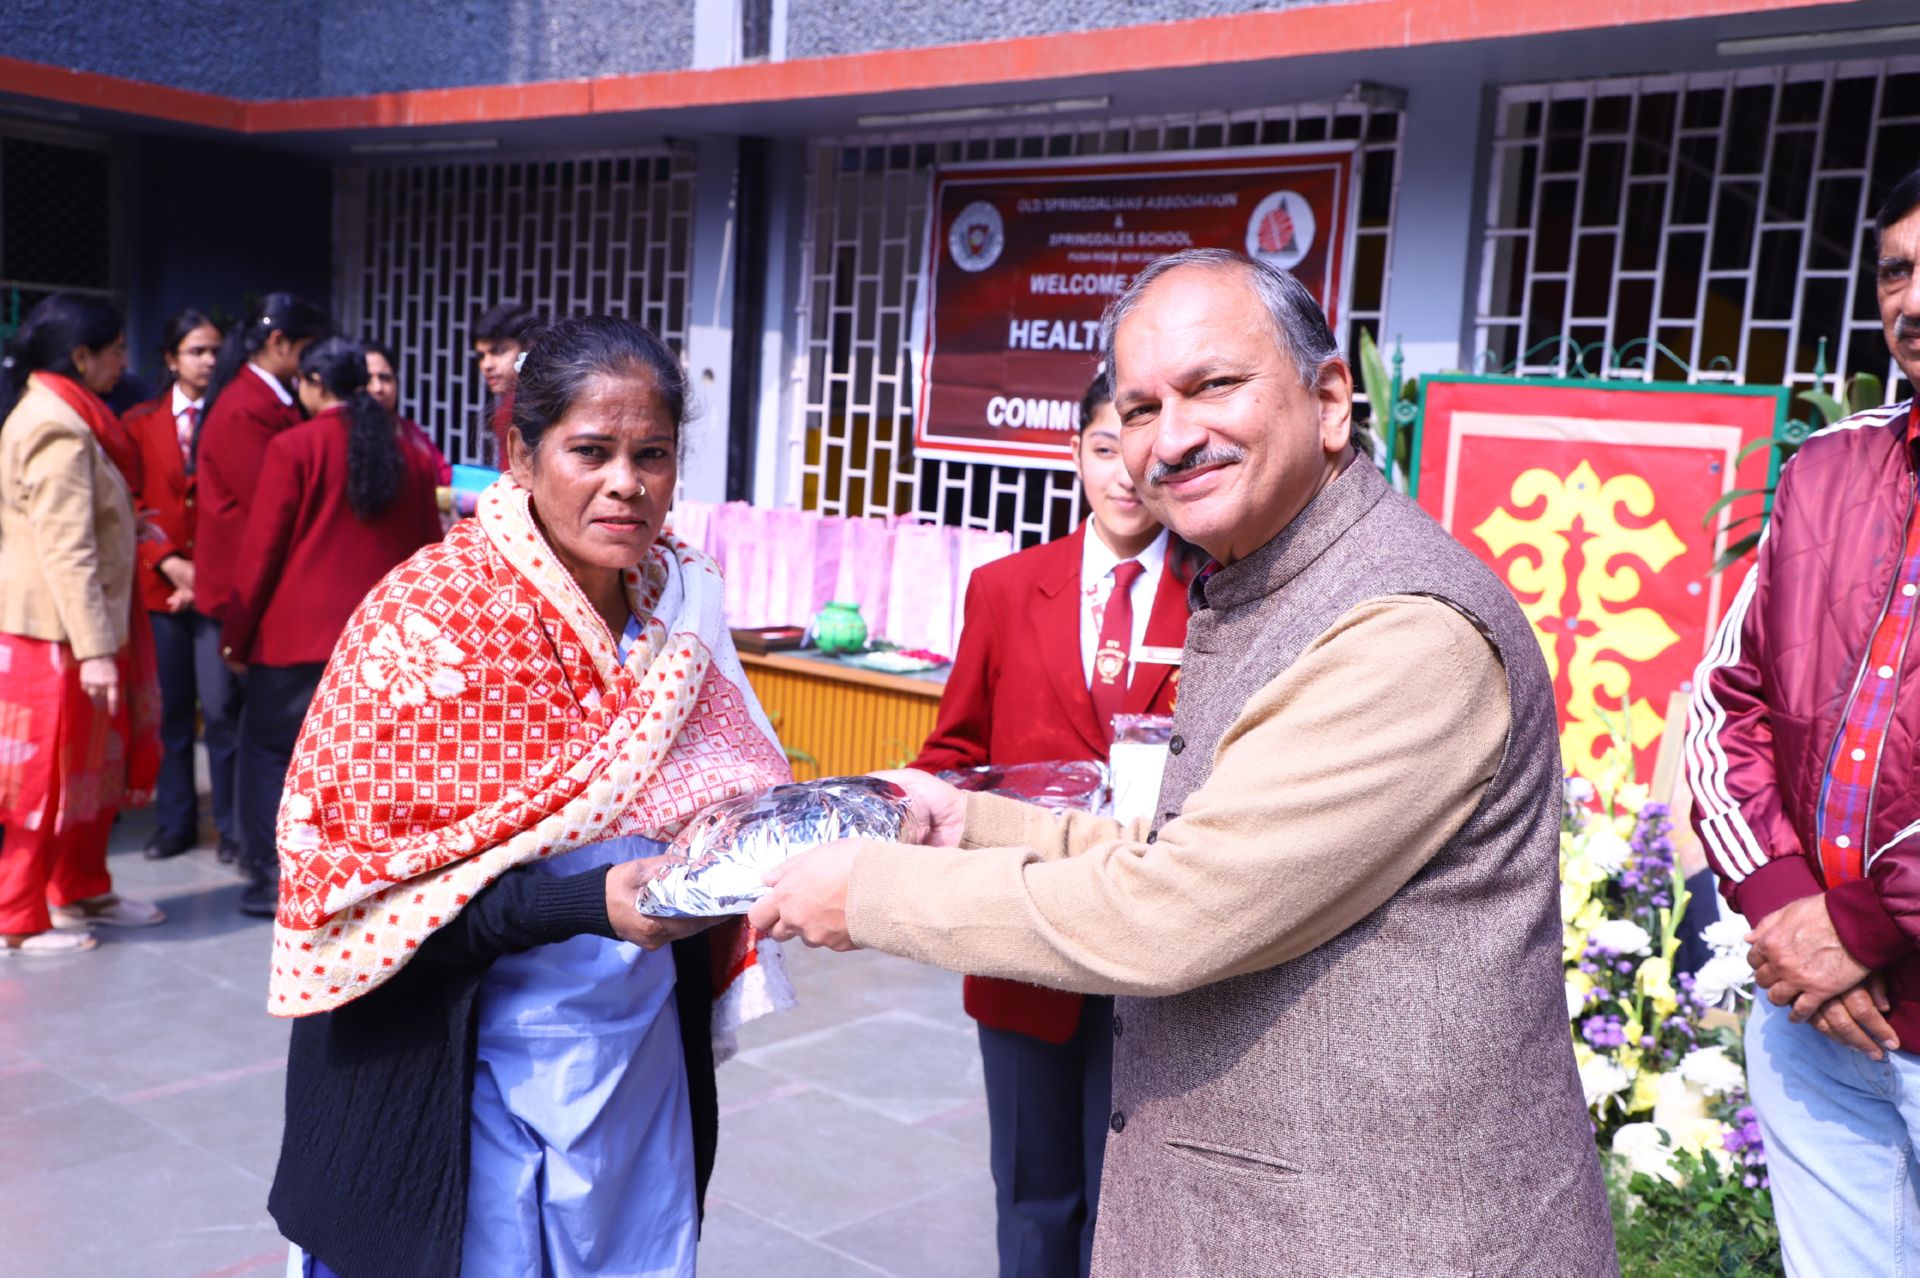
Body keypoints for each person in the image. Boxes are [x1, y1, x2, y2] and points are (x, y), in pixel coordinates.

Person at [752, 249, 1617, 1275]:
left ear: (1329, 399)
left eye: (1213, 386)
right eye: (1140, 409)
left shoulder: (1403, 628)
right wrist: (968, 822)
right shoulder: (1268, 582)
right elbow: (1196, 839)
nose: (1171, 439)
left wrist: (874, 893)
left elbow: (1177, 907)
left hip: (1380, 1236)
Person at [266, 315, 794, 1278]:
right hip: (454, 1063)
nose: (626, 483)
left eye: (653, 454)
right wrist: (587, 903)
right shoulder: (429, 619)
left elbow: (731, 792)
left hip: (633, 1059)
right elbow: (365, 902)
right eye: (590, 451)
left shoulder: (684, 607)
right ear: (521, 454)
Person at [910, 371, 1196, 1278]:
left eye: (1139, 452)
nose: (1124, 474)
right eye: (1104, 448)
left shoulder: (1218, 593)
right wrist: (915, 801)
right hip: (1022, 932)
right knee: (1033, 1198)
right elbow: (955, 747)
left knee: (1131, 1203)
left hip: (1154, 939)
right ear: (1075, 454)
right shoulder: (1005, 589)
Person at [1687, 169, 1920, 1277]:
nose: (1913, 301)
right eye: (1896, 271)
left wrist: (1862, 926)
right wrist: (1785, 908)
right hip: (1817, 1018)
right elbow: (1722, 705)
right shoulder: (1828, 469)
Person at [220, 337, 442, 918]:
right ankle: (355, 875)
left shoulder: (293, 446)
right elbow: (429, 552)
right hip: (383, 641)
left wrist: (236, 635)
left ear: (315, 384)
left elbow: (262, 552)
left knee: (270, 753)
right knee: (364, 761)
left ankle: (273, 878)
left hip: (294, 640)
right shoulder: (412, 452)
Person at [0, 294, 165, 954]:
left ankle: (79, 888)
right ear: (81, 356)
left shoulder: (75, 416)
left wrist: (128, 528)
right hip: (54, 633)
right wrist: (96, 651)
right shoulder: (56, 425)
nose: (125, 361)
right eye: (116, 350)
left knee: (93, 768)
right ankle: (16, 917)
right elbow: (65, 549)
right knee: (43, 779)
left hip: (85, 625)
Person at [191, 291, 330, 879]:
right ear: (280, 344)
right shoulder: (247, 407)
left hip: (257, 588)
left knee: (249, 724)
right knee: (235, 721)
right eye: (308, 349)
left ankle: (246, 837)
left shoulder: (270, 400)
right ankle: (240, 837)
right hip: (238, 590)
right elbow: (265, 514)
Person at [121, 308, 235, 862]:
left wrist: (203, 574)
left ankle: (232, 828)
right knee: (169, 713)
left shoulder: (234, 420)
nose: (208, 361)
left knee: (221, 709)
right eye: (196, 351)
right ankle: (175, 822)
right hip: (159, 587)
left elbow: (241, 508)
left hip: (216, 586)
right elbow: (129, 501)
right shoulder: (139, 422)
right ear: (171, 359)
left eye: (215, 350)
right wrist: (166, 561)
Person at [365, 341, 452, 485]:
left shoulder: (412, 433)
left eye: (385, 378)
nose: (378, 388)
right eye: (368, 379)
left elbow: (444, 477)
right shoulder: (338, 434)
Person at [472, 301, 543, 466]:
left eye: (498, 351)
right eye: (481, 356)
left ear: (528, 348)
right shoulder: (507, 406)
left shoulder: (543, 405)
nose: (487, 365)